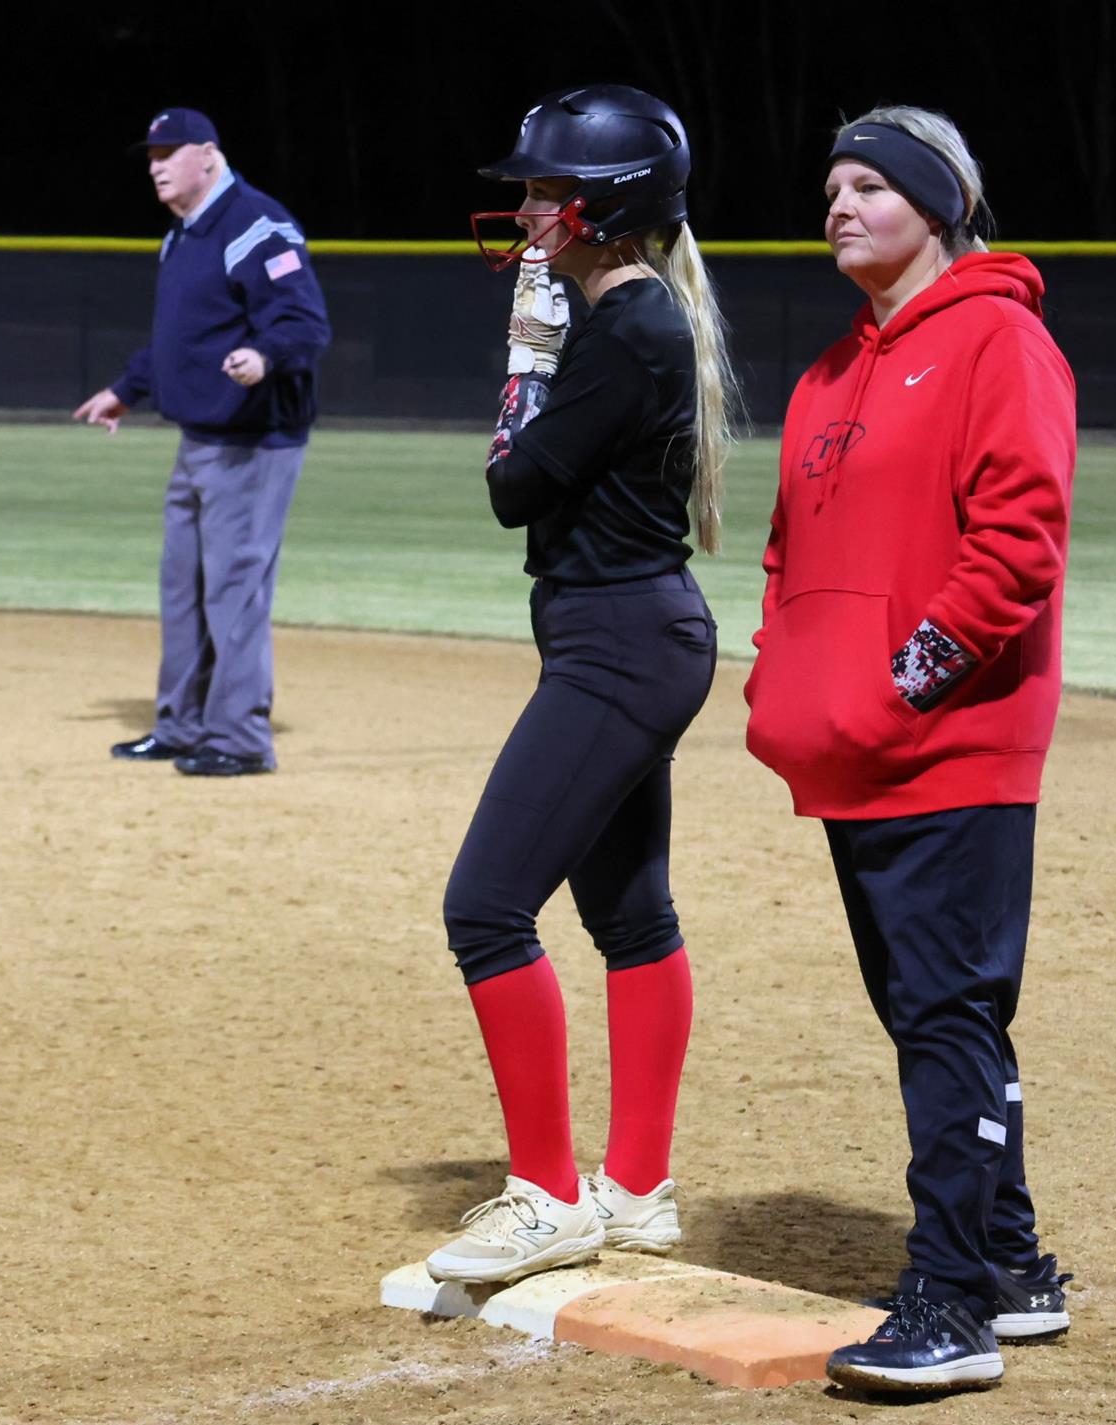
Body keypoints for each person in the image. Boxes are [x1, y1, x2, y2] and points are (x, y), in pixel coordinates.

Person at [743, 106, 1077, 1395]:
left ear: (938, 206)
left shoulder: (1000, 341)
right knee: (929, 1011)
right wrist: (783, 677)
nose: (839, 205)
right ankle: (1009, 1262)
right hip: (851, 749)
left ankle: (951, 1303)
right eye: (831, 186)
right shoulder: (829, 373)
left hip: (953, 745)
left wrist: (900, 685)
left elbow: (1017, 547)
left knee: (946, 1011)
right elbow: (786, 556)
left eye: (869, 186)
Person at [420, 85, 738, 1288]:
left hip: (620, 645)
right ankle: (638, 1191)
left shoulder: (628, 327)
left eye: (545, 190)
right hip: (624, 635)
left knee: (485, 908)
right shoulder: (634, 315)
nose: (524, 210)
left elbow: (514, 488)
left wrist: (526, 360)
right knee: (630, 915)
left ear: (605, 207)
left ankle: (548, 1196)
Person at [75, 107, 331, 777]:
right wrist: (127, 389)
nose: (156, 167)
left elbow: (305, 323)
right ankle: (182, 725)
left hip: (255, 440)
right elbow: (180, 339)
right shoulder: (185, 235)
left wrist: (264, 355)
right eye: (151, 157)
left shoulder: (256, 225)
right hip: (200, 437)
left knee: (233, 589)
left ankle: (240, 738)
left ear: (209, 155)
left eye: (169, 153)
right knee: (184, 588)